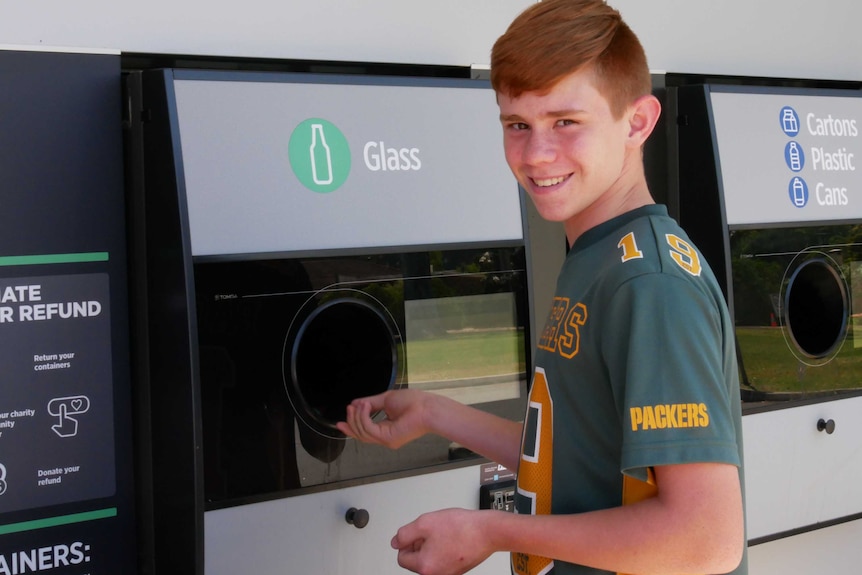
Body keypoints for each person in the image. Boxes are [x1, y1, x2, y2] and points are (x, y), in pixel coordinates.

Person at [337, 1, 748, 574]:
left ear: (638, 121)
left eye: (565, 122)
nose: (536, 155)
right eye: (518, 125)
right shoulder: (598, 256)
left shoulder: (647, 282)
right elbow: (575, 456)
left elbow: (707, 538)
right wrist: (434, 413)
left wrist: (489, 529)